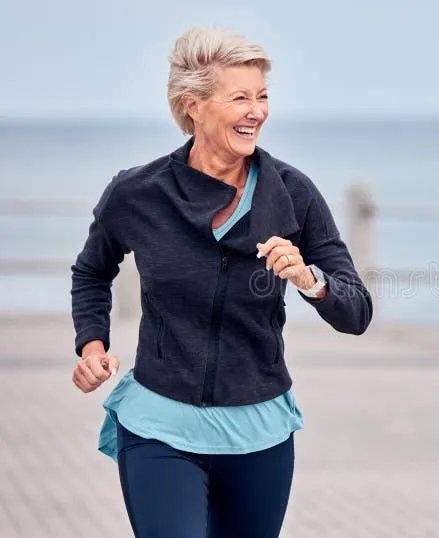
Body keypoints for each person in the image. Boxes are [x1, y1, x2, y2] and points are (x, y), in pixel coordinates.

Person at [70, 27, 372, 538]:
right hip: (159, 426)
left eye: (263, 96)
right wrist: (92, 343)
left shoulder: (293, 194)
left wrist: (309, 279)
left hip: (260, 433)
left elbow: (357, 311)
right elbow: (93, 271)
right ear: (194, 105)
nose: (257, 111)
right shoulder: (138, 192)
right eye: (240, 98)